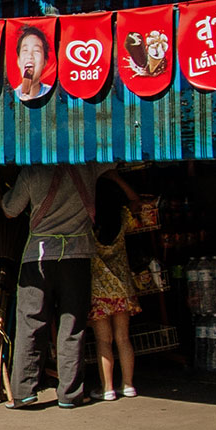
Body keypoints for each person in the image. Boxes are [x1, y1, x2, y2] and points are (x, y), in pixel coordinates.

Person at [0, 161, 112, 409]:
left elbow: (11, 211)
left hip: (38, 258)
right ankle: (70, 394)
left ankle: (24, 392)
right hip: (78, 257)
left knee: (31, 323)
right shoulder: (87, 166)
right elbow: (115, 160)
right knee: (72, 324)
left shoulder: (32, 172)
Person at [88, 171, 144, 401]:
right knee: (123, 338)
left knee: (104, 341)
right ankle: (128, 385)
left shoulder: (88, 222)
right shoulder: (122, 217)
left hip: (98, 291)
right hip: (122, 289)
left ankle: (108, 388)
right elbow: (137, 203)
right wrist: (117, 179)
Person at [11, 26, 53, 103]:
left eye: (36, 51)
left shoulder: (49, 91)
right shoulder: (14, 93)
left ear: (44, 62)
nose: (30, 56)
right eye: (25, 50)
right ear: (18, 61)